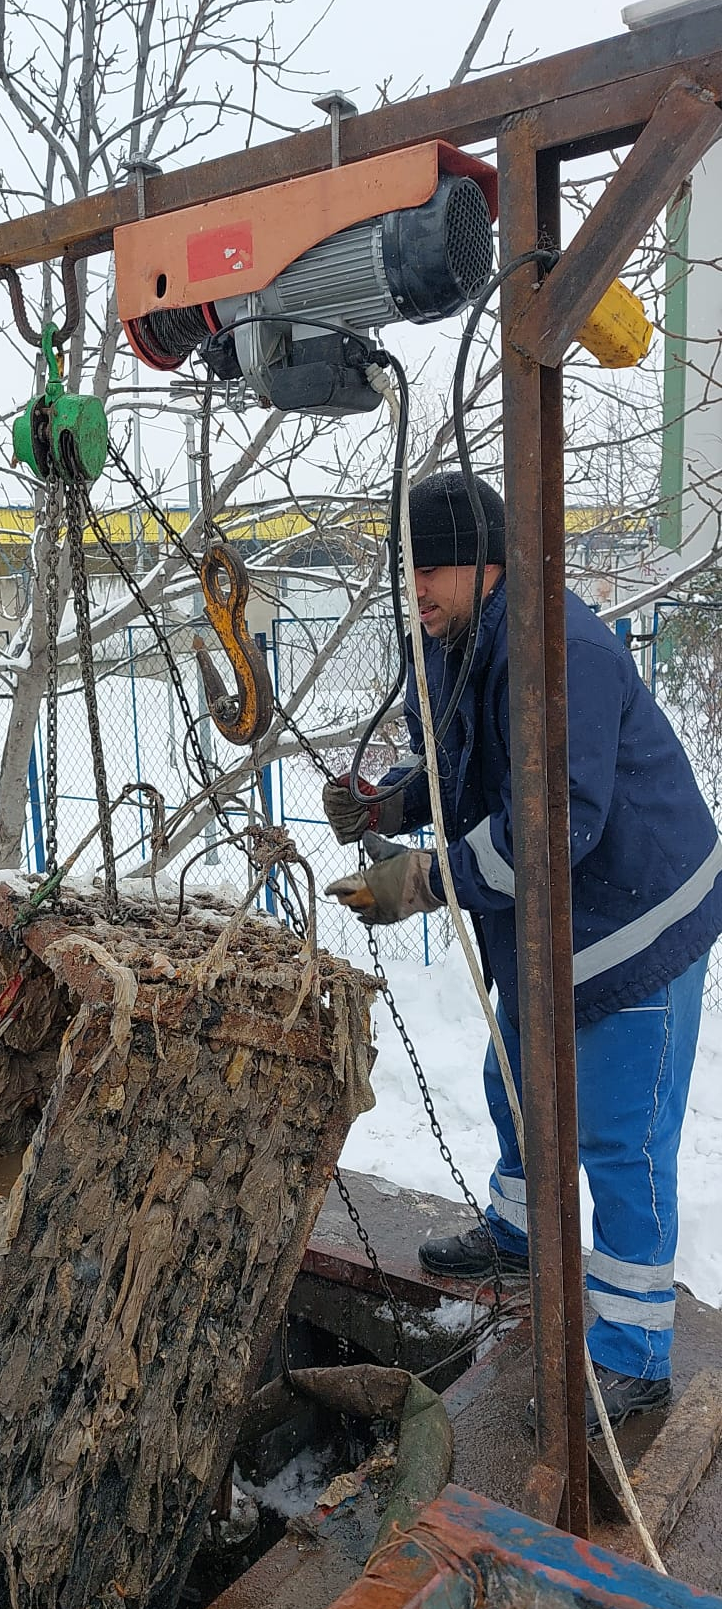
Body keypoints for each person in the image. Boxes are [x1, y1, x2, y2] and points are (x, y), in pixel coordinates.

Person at [324, 471, 722, 1435]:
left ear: (486, 563)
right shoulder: (469, 642)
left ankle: (633, 1359)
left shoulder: (560, 650)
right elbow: (474, 771)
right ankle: (519, 1235)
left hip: (631, 929)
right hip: (552, 930)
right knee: (517, 1082)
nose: (413, 587)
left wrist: (422, 880)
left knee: (623, 1142)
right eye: (404, 569)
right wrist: (394, 804)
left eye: (430, 568)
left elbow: (550, 823)